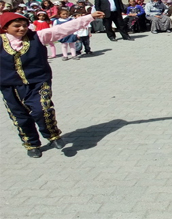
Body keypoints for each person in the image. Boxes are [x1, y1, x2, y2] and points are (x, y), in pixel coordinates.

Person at [0, 10, 105, 158]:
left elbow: (63, 29)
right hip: (9, 86)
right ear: (5, 28)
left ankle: (53, 135)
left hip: (37, 82)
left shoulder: (38, 37)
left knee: (41, 110)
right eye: (17, 26)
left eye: (24, 25)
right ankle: (32, 144)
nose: (22, 29)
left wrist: (89, 17)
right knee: (20, 116)